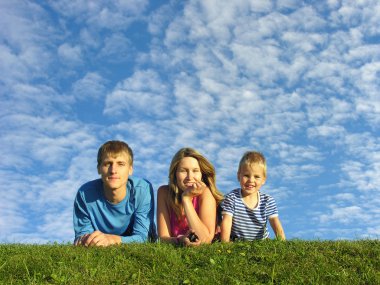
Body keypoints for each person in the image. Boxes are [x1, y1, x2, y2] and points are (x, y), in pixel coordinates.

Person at [73, 140, 156, 246]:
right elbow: (82, 238)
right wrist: (87, 240)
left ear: (130, 169)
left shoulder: (142, 189)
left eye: (120, 164)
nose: (113, 170)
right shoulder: (84, 194)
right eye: (108, 164)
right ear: (99, 168)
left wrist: (112, 239)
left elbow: (143, 238)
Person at [157, 148, 224, 246]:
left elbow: (205, 240)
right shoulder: (163, 192)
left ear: (201, 174)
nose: (190, 177)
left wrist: (186, 199)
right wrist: (180, 240)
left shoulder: (206, 193)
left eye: (195, 171)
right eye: (183, 171)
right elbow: (162, 238)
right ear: (175, 174)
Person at [220, 151, 285, 242]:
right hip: (236, 241)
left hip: (261, 242)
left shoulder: (267, 201)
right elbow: (226, 221)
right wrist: (225, 244)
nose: (251, 180)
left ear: (263, 180)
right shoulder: (231, 198)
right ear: (239, 176)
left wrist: (282, 243)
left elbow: (275, 222)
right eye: (246, 175)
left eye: (257, 177)